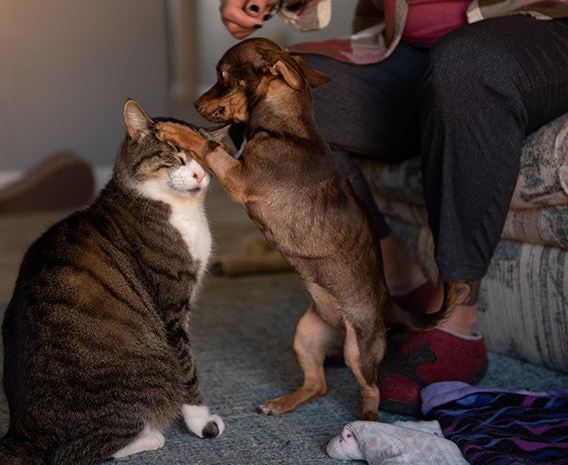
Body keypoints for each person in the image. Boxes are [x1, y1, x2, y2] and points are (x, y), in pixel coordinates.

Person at [219, 0, 568, 415]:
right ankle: (396, 280)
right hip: (405, 50)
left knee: (465, 64)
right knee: (268, 95)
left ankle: (456, 320)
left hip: (538, 32)